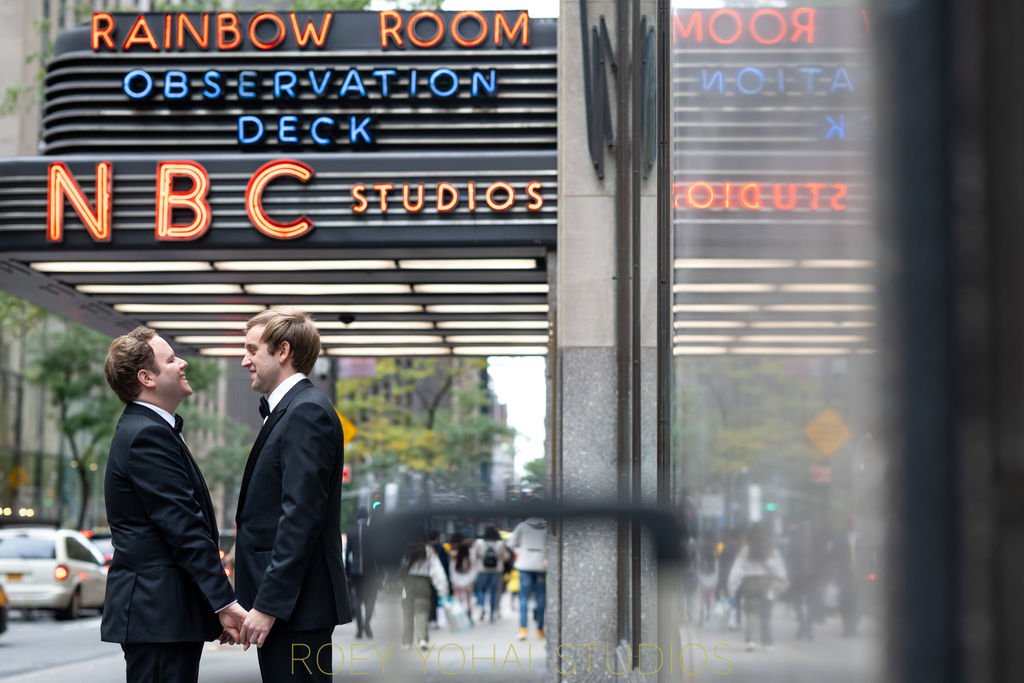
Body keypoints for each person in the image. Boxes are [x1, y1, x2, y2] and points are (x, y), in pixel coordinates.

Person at [101, 327, 247, 683]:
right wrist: (225, 603)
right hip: (158, 617)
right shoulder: (146, 435)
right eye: (170, 360)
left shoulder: (150, 429)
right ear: (146, 377)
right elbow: (184, 527)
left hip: (164, 616)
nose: (182, 363)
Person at [234, 308, 350, 682]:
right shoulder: (294, 410)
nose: (244, 359)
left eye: (252, 349)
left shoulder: (305, 412)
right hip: (295, 608)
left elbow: (300, 516)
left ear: (282, 351)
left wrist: (268, 605)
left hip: (297, 609)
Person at [728, 522, 788, 652]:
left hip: (749, 583)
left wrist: (732, 586)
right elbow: (777, 567)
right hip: (766, 584)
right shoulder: (771, 549)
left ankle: (751, 641)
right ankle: (767, 642)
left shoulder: (746, 550)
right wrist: (782, 578)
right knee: (766, 614)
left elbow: (737, 569)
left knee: (751, 612)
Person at [401, 534, 450, 651]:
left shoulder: (405, 549)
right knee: (421, 612)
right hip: (423, 583)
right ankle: (422, 639)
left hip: (407, 584)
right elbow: (437, 570)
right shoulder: (429, 551)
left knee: (407, 614)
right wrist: (443, 588)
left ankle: (407, 642)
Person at [509, 516, 547, 640]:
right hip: (541, 566)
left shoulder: (522, 526)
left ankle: (523, 630)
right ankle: (540, 630)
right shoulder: (547, 527)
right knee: (541, 597)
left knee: (523, 598)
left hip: (525, 565)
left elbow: (511, 543)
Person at [345, 507, 379, 639]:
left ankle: (359, 630)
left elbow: (348, 554)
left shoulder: (351, 532)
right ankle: (367, 623)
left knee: (357, 600)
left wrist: (347, 571)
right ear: (367, 517)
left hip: (355, 571)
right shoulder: (372, 532)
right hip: (370, 572)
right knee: (371, 599)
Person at [472, 527, 510, 623]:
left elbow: (473, 556)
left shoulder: (478, 542)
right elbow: (506, 557)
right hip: (496, 571)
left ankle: (482, 607)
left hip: (482, 570)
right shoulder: (500, 543)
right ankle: (492, 614)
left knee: (481, 590)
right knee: (494, 592)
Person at [426, 529, 451, 629]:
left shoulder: (424, 548)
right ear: (437, 537)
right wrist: (447, 578)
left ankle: (428, 618)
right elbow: (445, 564)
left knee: (426, 598)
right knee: (435, 598)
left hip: (425, 576)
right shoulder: (441, 548)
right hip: (437, 576)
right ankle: (434, 619)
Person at [449, 539, 478, 623]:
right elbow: (474, 571)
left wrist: (454, 582)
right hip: (468, 582)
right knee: (468, 599)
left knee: (458, 599)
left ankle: (459, 617)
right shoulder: (470, 559)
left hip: (457, 582)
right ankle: (469, 616)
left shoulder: (455, 559)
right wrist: (471, 580)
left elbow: (452, 571)